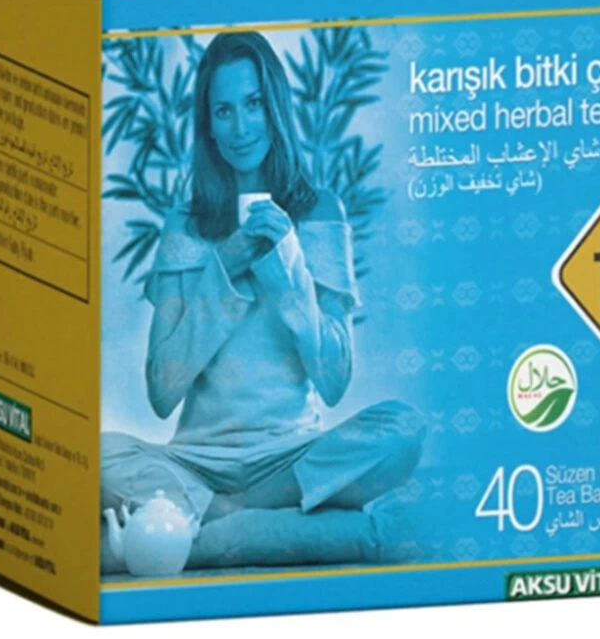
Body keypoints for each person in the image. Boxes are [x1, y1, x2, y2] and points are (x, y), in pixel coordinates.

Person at [101, 30, 424, 571]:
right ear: (208, 125)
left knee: (404, 430)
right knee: (90, 457)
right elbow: (161, 390)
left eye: (253, 104)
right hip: (196, 463)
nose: (241, 127)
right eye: (223, 111)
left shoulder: (321, 212)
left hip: (289, 460)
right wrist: (222, 269)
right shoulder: (185, 225)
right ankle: (275, 526)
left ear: (275, 106)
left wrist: (290, 269)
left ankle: (193, 532)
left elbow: (334, 381)